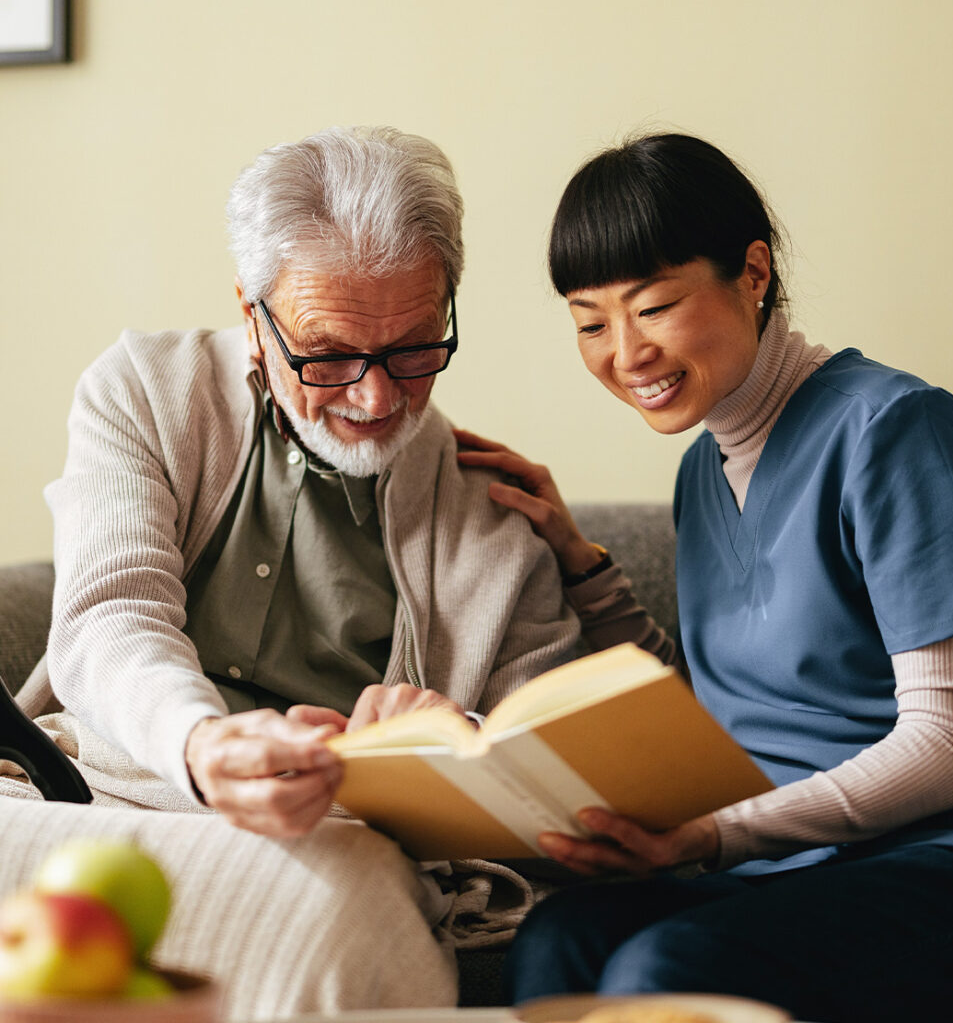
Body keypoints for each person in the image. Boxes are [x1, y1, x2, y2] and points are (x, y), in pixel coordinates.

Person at [0, 125, 578, 1014]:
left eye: (413, 348)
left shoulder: (493, 512)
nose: (375, 398)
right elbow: (109, 615)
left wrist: (454, 740)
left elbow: (558, 770)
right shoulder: (146, 389)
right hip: (100, 793)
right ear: (252, 315)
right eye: (330, 354)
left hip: (325, 840)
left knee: (350, 897)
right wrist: (201, 746)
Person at [456, 133, 953, 1023]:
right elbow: (719, 711)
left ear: (754, 273)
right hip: (782, 871)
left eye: (654, 307)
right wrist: (578, 559)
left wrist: (712, 837)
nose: (626, 353)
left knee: (672, 966)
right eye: (591, 324)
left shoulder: (897, 431)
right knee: (561, 939)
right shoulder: (702, 472)